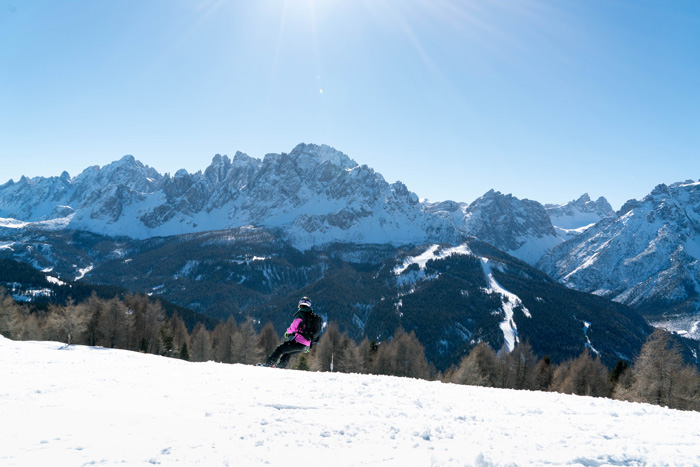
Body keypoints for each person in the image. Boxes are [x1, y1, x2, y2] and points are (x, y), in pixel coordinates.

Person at [264, 297, 321, 368]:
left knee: (279, 349)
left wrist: (288, 332)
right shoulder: (312, 316)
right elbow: (307, 330)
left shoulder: (301, 314)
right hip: (306, 346)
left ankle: (269, 364)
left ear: (300, 304)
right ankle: (280, 367)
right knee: (287, 353)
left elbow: (293, 327)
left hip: (299, 342)